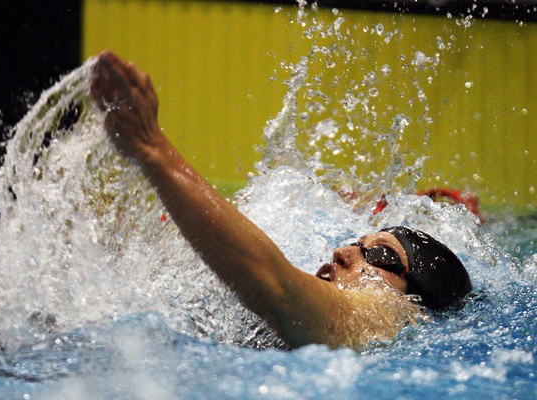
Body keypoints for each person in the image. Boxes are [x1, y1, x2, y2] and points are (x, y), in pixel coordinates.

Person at [90, 51, 473, 350]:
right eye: (358, 244)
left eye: (380, 255)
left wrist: (151, 148)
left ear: (418, 297)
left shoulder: (396, 315)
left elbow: (276, 288)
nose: (343, 251)